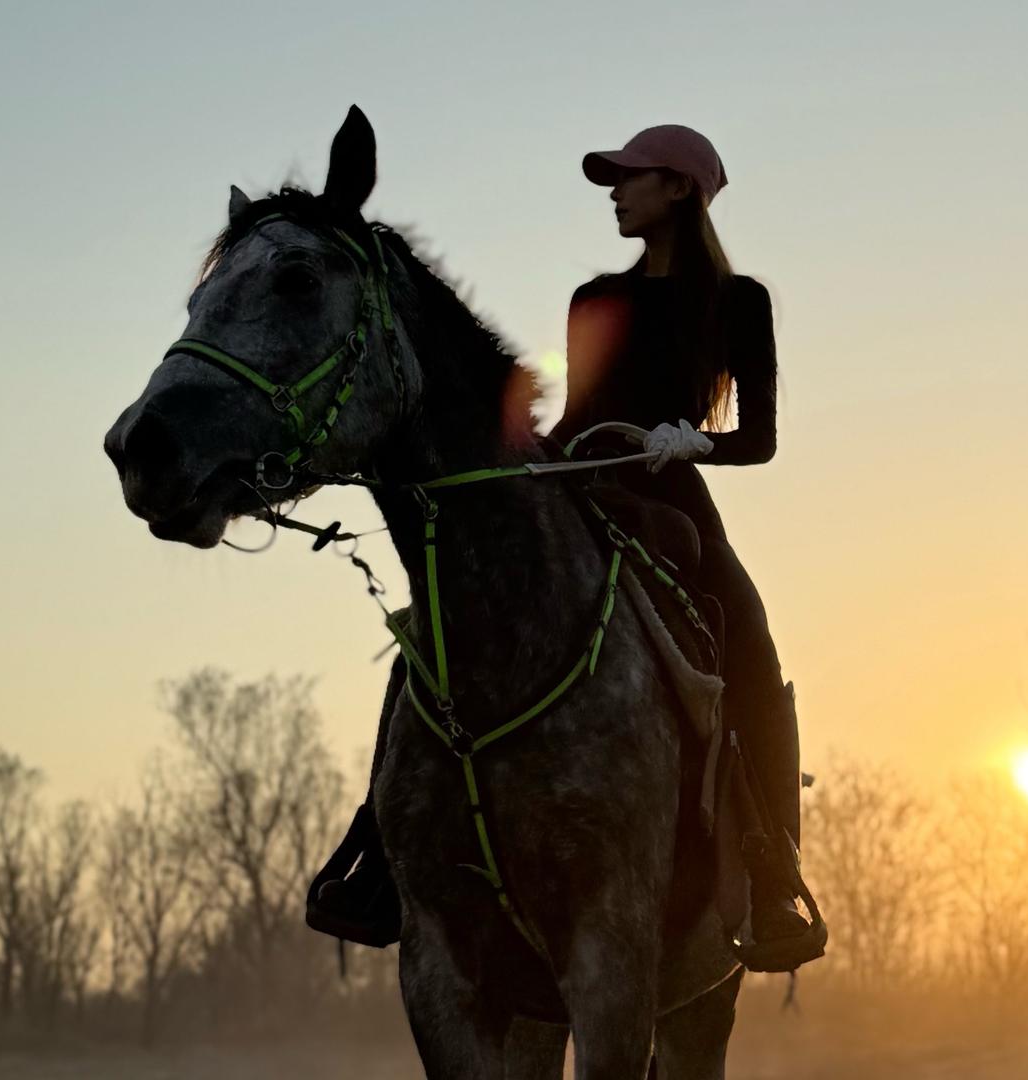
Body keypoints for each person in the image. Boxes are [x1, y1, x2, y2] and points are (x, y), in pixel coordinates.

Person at [307, 124, 826, 972]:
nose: (615, 192)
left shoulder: (740, 303)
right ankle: (378, 854)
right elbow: (581, 411)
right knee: (439, 629)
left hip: (674, 502)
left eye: (632, 178)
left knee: (754, 653)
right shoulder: (595, 299)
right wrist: (530, 457)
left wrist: (693, 442)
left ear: (683, 190)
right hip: (578, 484)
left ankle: (773, 874)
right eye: (613, 180)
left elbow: (760, 438)